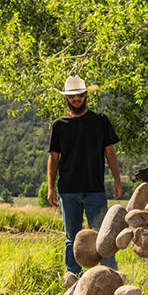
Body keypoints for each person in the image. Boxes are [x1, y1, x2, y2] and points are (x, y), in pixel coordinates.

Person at [47, 75, 123, 277]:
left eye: (79, 95)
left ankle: (109, 278)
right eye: (72, 96)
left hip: (95, 190)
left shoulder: (100, 121)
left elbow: (110, 152)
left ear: (86, 95)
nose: (76, 99)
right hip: (68, 191)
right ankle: (73, 280)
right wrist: (50, 187)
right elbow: (53, 159)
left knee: (103, 238)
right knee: (71, 238)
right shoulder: (59, 125)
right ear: (66, 98)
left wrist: (116, 179)